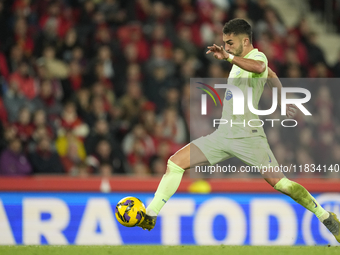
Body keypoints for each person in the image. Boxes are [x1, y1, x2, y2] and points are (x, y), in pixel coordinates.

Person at [137, 18, 340, 243]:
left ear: (245, 40)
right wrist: (281, 98)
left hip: (248, 136)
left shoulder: (256, 56)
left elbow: (262, 68)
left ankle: (325, 216)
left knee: (281, 184)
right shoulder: (239, 61)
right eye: (225, 43)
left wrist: (231, 57)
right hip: (223, 134)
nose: (227, 47)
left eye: (230, 43)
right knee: (175, 162)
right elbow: (271, 75)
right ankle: (151, 214)